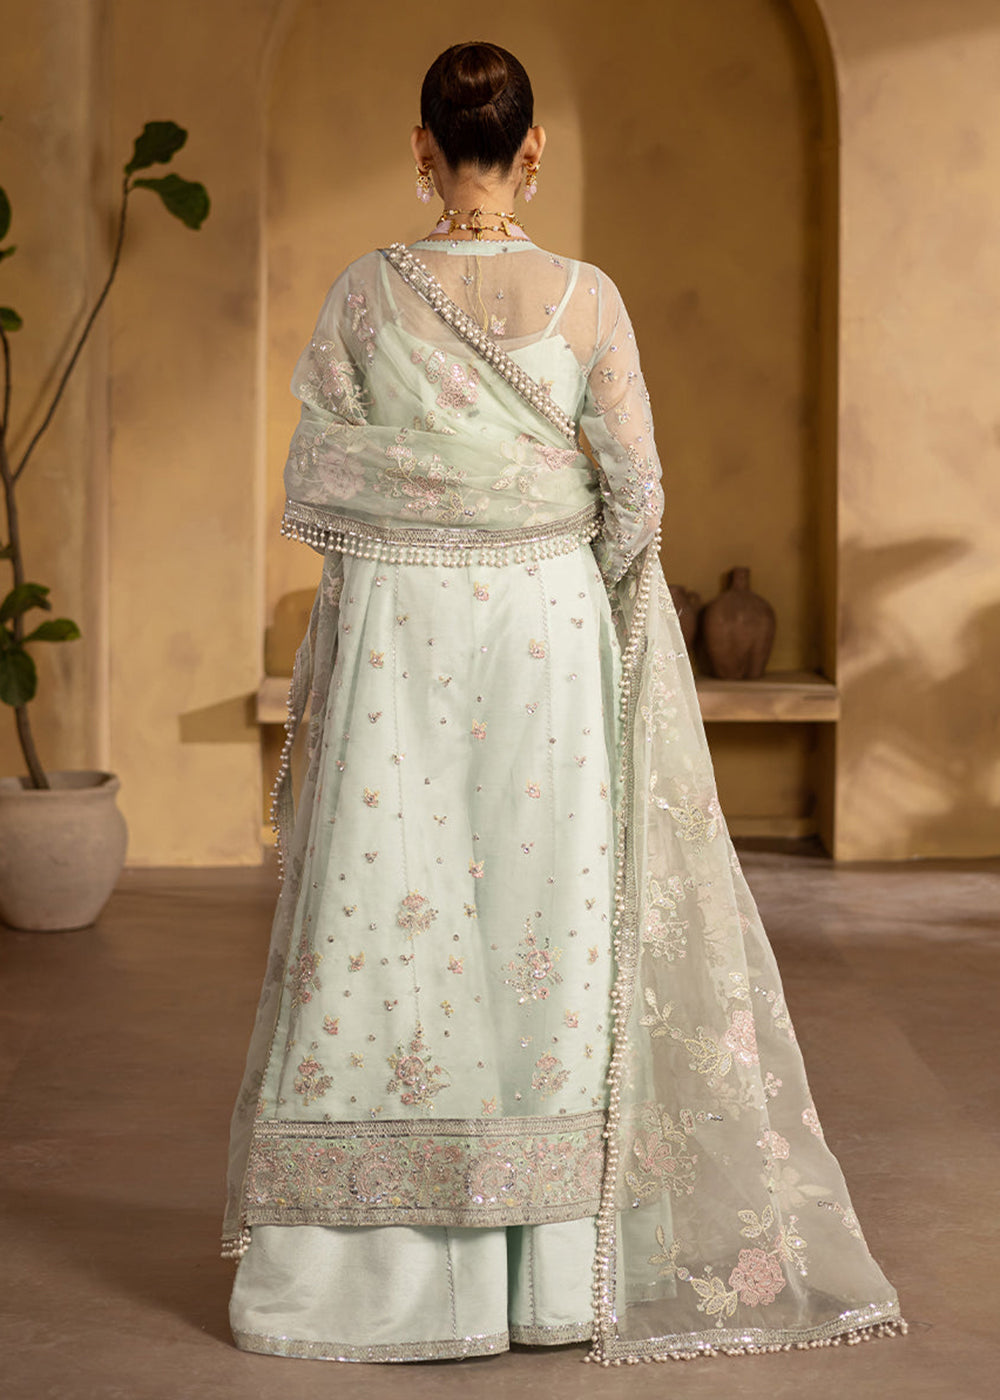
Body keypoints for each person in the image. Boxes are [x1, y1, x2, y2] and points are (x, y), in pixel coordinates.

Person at [222, 40, 905, 1366]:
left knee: (395, 916)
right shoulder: (588, 300)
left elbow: (329, 477)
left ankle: (382, 1282)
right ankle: (547, 1282)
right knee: (548, 923)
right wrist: (563, 553)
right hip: (542, 626)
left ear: (422, 147)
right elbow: (637, 496)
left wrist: (432, 537)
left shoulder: (366, 293)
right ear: (533, 149)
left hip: (404, 633)